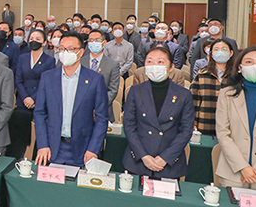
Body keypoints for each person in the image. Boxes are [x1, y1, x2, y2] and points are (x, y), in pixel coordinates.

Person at [34, 31, 109, 167]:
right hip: (52, 147)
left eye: (70, 49)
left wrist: (93, 149)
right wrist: (43, 144)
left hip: (83, 149)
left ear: (80, 52)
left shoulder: (95, 79)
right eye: (62, 49)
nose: (65, 52)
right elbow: (39, 113)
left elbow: (101, 118)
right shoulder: (47, 77)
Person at [122, 45, 195, 179]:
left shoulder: (183, 94)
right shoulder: (135, 91)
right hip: (138, 161)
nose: (154, 66)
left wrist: (165, 158)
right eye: (150, 61)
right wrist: (144, 156)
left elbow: (186, 130)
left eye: (160, 62)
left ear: (171, 67)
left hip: (169, 164)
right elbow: (129, 126)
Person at [215, 46, 256, 192]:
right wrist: (243, 167)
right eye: (249, 62)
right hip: (233, 173)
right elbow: (223, 133)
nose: (255, 66)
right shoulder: (226, 94)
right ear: (240, 68)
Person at [190, 39, 235, 134]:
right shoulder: (202, 75)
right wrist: (192, 123)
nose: (220, 52)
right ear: (211, 54)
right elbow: (193, 101)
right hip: (205, 124)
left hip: (231, 127)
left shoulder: (237, 77)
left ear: (231, 53)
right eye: (216, 49)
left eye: (224, 49)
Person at [82, 29, 120, 122]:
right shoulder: (80, 62)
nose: (94, 42)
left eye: (97, 40)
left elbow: (113, 90)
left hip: (103, 111)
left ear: (104, 43)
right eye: (91, 40)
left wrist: (98, 105)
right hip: (81, 110)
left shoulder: (113, 64)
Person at [15, 29, 56, 112]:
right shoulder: (22, 58)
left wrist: (33, 99)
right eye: (31, 38)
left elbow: (49, 83)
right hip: (23, 101)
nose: (34, 41)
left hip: (40, 101)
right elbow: (18, 80)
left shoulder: (50, 60)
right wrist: (25, 98)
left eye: (38, 39)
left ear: (44, 42)